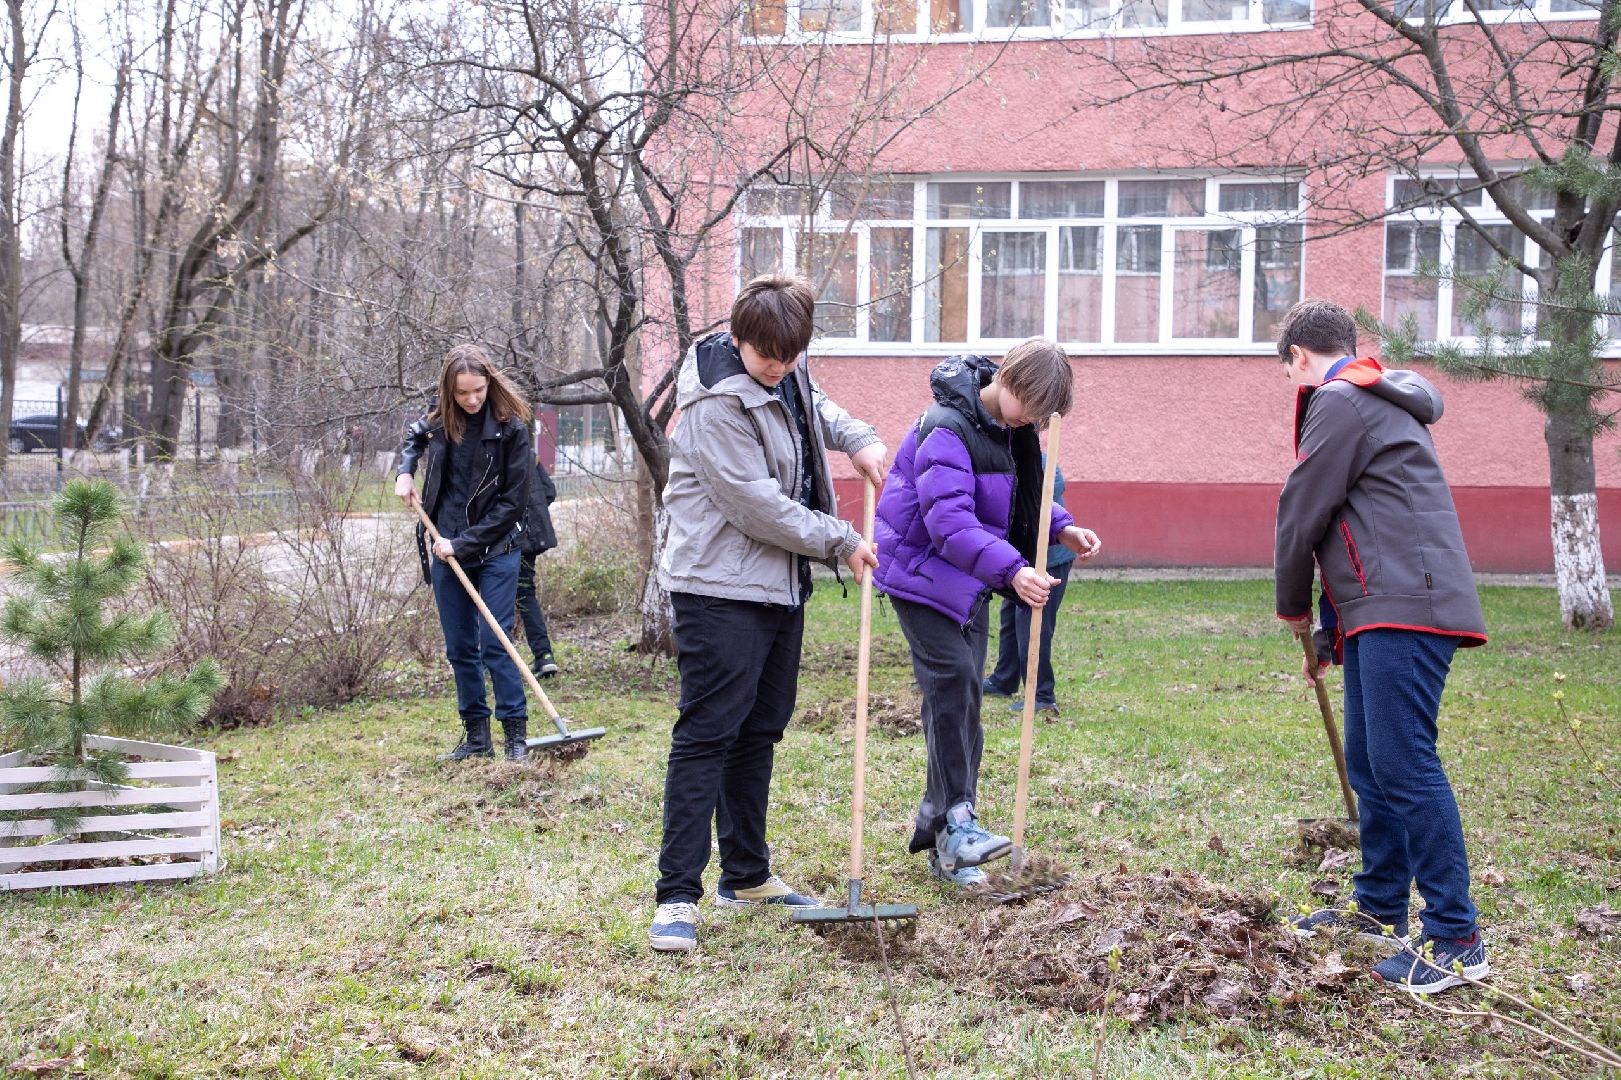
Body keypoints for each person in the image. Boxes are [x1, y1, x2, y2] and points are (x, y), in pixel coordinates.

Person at [648, 275, 887, 954]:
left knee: (760, 730)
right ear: (735, 340)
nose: (777, 368)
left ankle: (745, 876)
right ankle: (675, 898)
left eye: (789, 356)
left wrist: (859, 439)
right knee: (707, 734)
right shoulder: (715, 406)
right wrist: (840, 539)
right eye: (765, 358)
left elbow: (814, 408)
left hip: (777, 586)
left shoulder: (788, 370)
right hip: (718, 588)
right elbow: (755, 505)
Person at [1274, 299, 1489, 994]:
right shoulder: (1369, 397)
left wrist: (1292, 605)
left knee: (1403, 762)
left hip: (1407, 602)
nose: (1293, 385)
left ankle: (1456, 937)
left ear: (1300, 357)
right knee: (1371, 758)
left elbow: (1302, 505)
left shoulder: (1337, 399)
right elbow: (1356, 516)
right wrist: (1333, 627)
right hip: (1381, 603)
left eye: (1288, 372)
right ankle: (1378, 905)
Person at [872, 341, 1102, 888]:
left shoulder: (1011, 431)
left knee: (963, 693)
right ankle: (956, 822)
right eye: (1032, 406)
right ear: (1007, 379)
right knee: (953, 682)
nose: (1035, 420)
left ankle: (948, 833)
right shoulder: (946, 425)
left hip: (968, 579)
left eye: (1045, 415)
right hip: (921, 573)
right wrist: (1014, 570)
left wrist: (1061, 526)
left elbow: (1022, 495)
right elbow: (949, 524)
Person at [395, 345, 534, 763]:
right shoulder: (439, 422)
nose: (472, 400)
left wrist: (464, 542)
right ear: (448, 392)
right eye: (462, 393)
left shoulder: (512, 429)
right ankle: (476, 738)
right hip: (444, 546)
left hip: (496, 548)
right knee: (460, 648)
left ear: (489, 382)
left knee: (496, 644)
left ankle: (515, 737)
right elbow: (412, 435)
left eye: (478, 390)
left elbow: (513, 506)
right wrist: (405, 469)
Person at [982, 464, 1075, 716]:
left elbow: (1045, 497)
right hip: (1019, 562)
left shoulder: (1041, 463)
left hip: (1049, 561)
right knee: (1009, 619)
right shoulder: (1003, 457)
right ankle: (1005, 679)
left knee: (1033, 626)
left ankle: (1042, 695)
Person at [516, 453, 560, 678]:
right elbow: (549, 491)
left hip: (511, 538)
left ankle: (491, 659)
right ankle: (544, 657)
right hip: (534, 536)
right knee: (525, 594)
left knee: (493, 596)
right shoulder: (530, 456)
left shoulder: (495, 452)